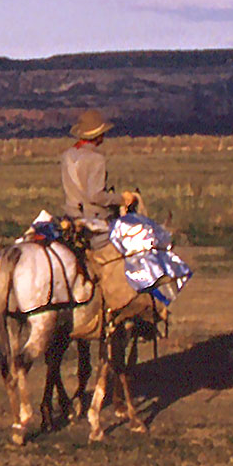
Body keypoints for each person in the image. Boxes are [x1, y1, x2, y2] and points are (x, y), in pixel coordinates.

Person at [58, 111, 149, 318]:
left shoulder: (67, 156)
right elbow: (95, 195)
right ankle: (117, 305)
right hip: (92, 221)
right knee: (121, 254)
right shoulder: (96, 159)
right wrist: (121, 200)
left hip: (70, 217)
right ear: (97, 136)